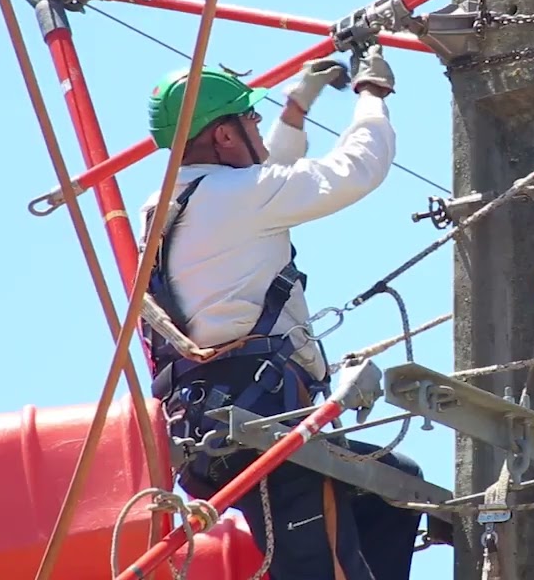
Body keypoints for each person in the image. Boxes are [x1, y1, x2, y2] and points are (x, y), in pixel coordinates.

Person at [136, 46, 424, 580]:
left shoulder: (166, 205)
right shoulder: (240, 198)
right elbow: (357, 168)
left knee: (395, 488)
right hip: (261, 421)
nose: (258, 126)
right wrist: (372, 95)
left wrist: (296, 109)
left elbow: (266, 179)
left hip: (212, 426)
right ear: (223, 136)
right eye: (250, 118)